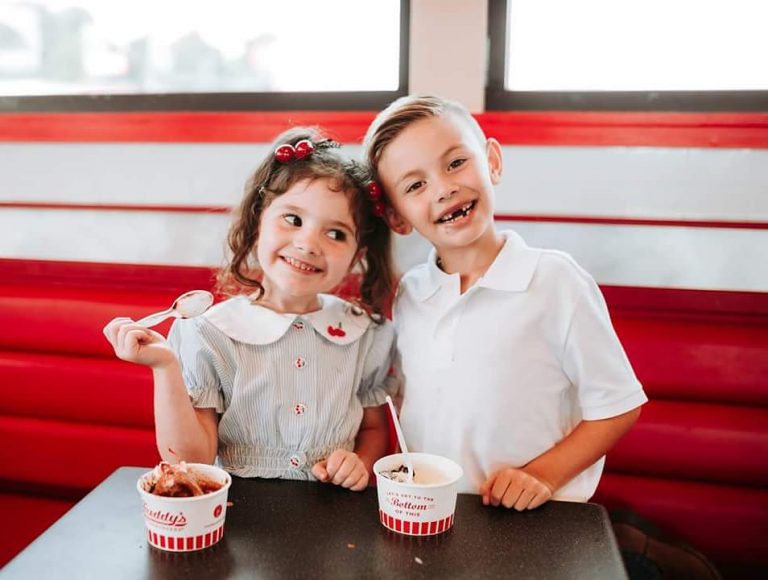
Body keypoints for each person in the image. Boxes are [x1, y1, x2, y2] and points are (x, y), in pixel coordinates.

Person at [362, 95, 648, 509]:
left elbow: (618, 406)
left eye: (456, 162)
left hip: (540, 518)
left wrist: (541, 476)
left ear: (492, 161)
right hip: (436, 513)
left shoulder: (555, 281)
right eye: (415, 185)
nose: (444, 188)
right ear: (397, 218)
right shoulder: (409, 294)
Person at [104, 127, 397, 491]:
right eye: (293, 219)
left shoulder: (365, 333)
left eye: (335, 233)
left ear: (357, 256)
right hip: (240, 512)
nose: (308, 243)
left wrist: (360, 463)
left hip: (335, 515)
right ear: (258, 222)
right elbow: (189, 463)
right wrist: (165, 367)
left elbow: (372, 429)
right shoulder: (210, 334)